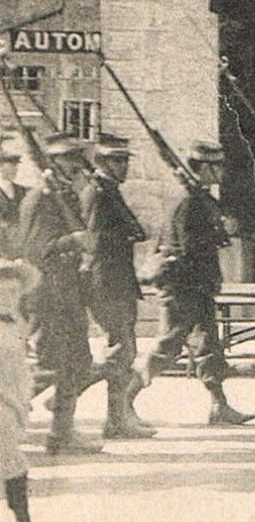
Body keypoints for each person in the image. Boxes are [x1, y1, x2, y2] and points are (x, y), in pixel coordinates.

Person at [129, 141, 255, 426]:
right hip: (183, 286)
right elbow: (187, 247)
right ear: (206, 167)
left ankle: (219, 407)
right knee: (167, 347)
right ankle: (122, 403)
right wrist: (220, 234)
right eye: (218, 165)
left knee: (208, 347)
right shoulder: (188, 200)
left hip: (196, 286)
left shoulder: (198, 197)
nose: (222, 171)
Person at [20, 133, 97, 454]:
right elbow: (34, 251)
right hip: (49, 294)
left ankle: (61, 433)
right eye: (69, 160)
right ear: (54, 163)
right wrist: (73, 240)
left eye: (77, 160)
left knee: (77, 363)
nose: (76, 166)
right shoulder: (40, 199)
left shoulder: (64, 197)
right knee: (49, 366)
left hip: (69, 294)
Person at [80, 133, 152, 439]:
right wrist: (128, 235)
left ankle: (116, 417)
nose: (124, 166)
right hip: (107, 282)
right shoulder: (98, 193)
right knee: (121, 351)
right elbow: (93, 240)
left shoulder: (109, 190)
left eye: (124, 160)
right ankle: (73, 391)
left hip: (117, 281)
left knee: (123, 351)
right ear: (102, 162)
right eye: (117, 161)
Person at [0, 259, 62, 522]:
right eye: (2, 292)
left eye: (14, 292)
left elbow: (18, 369)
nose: (8, 298)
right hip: (3, 402)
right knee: (13, 462)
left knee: (12, 462)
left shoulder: (15, 325)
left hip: (12, 403)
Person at [0, 135, 28, 259]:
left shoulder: (23, 191)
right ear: (1, 167)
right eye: (11, 166)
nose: (15, 170)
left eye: (16, 166)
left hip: (22, 246)